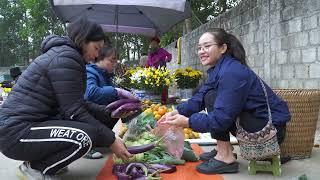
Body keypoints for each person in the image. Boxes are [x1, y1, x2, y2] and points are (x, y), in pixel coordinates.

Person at [0, 17, 132, 179]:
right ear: (83, 39)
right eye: (96, 48)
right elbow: (74, 112)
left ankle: (49, 163)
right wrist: (111, 140)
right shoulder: (66, 58)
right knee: (85, 137)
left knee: (88, 130)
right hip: (15, 133)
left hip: (22, 128)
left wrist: (110, 113)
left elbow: (76, 103)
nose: (97, 55)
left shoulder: (67, 56)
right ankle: (34, 169)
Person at [160, 28, 291, 174]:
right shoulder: (219, 69)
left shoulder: (232, 72)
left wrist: (188, 122)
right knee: (210, 95)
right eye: (199, 48)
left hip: (269, 130)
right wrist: (178, 111)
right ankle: (222, 149)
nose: (201, 51)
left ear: (223, 48)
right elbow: (200, 97)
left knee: (214, 100)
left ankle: (226, 158)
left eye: (207, 46)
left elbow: (221, 119)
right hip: (254, 122)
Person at [84, 45, 137, 159]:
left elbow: (111, 97)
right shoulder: (90, 71)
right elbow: (91, 93)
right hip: (89, 114)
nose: (115, 63)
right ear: (99, 58)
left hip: (101, 113)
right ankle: (87, 145)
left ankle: (101, 139)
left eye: (116, 60)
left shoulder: (106, 75)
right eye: (111, 60)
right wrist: (116, 91)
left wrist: (129, 104)